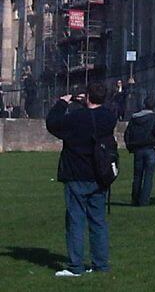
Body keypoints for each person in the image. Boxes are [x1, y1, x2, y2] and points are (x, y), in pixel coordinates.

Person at [45, 82, 117, 277]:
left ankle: (76, 266)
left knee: (76, 220)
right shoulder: (109, 118)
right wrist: (87, 102)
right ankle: (100, 264)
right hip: (99, 174)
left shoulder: (76, 119)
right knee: (98, 221)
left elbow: (52, 123)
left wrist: (62, 103)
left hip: (76, 172)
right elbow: (99, 113)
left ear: (86, 97)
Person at [123, 95, 155, 206]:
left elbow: (127, 133)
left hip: (137, 148)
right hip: (150, 148)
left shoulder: (134, 118)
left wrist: (129, 146)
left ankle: (135, 199)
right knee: (148, 176)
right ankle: (144, 200)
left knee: (137, 176)